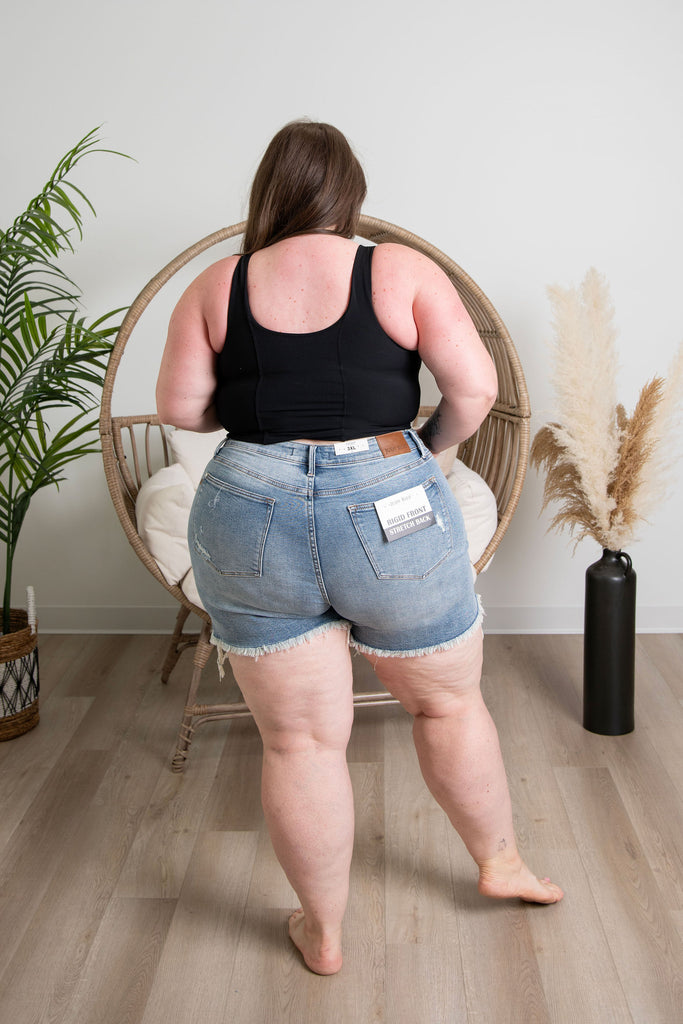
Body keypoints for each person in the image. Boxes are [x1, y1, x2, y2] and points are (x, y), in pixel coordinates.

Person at [156, 119, 563, 976]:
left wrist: (264, 416)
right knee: (447, 704)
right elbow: (474, 389)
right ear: (350, 191)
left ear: (268, 191)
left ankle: (324, 931)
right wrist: (416, 452)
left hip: (247, 503)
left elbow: (181, 408)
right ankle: (501, 864)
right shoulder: (400, 269)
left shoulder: (218, 282)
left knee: (300, 741)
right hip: (388, 495)